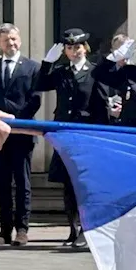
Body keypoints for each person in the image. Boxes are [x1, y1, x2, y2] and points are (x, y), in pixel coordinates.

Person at [0, 24, 42, 248]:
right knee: (1, 181)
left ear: (20, 40)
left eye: (13, 39)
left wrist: (14, 118)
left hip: (22, 133)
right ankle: (4, 229)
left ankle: (22, 229)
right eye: (5, 40)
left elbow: (34, 100)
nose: (10, 44)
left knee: (22, 181)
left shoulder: (33, 68)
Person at [37, 28, 99, 248]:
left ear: (85, 48)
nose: (74, 51)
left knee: (84, 183)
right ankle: (73, 228)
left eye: (78, 47)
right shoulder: (61, 72)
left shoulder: (95, 71)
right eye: (70, 48)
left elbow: (101, 101)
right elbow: (40, 85)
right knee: (68, 183)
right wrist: (47, 63)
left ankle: (86, 228)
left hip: (86, 133)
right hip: (64, 132)